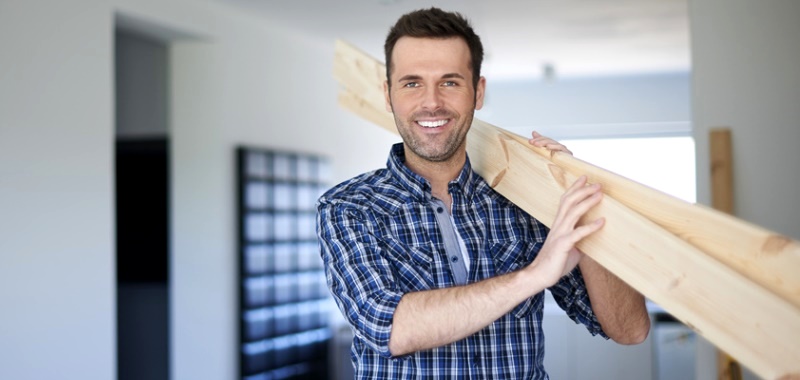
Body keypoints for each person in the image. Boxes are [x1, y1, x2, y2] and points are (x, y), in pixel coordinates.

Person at [317, 7, 650, 379]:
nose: (431, 102)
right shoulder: (349, 207)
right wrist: (533, 275)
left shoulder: (522, 202)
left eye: (450, 82)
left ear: (478, 92)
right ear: (388, 94)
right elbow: (389, 327)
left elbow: (629, 329)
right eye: (412, 83)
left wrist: (574, 192)